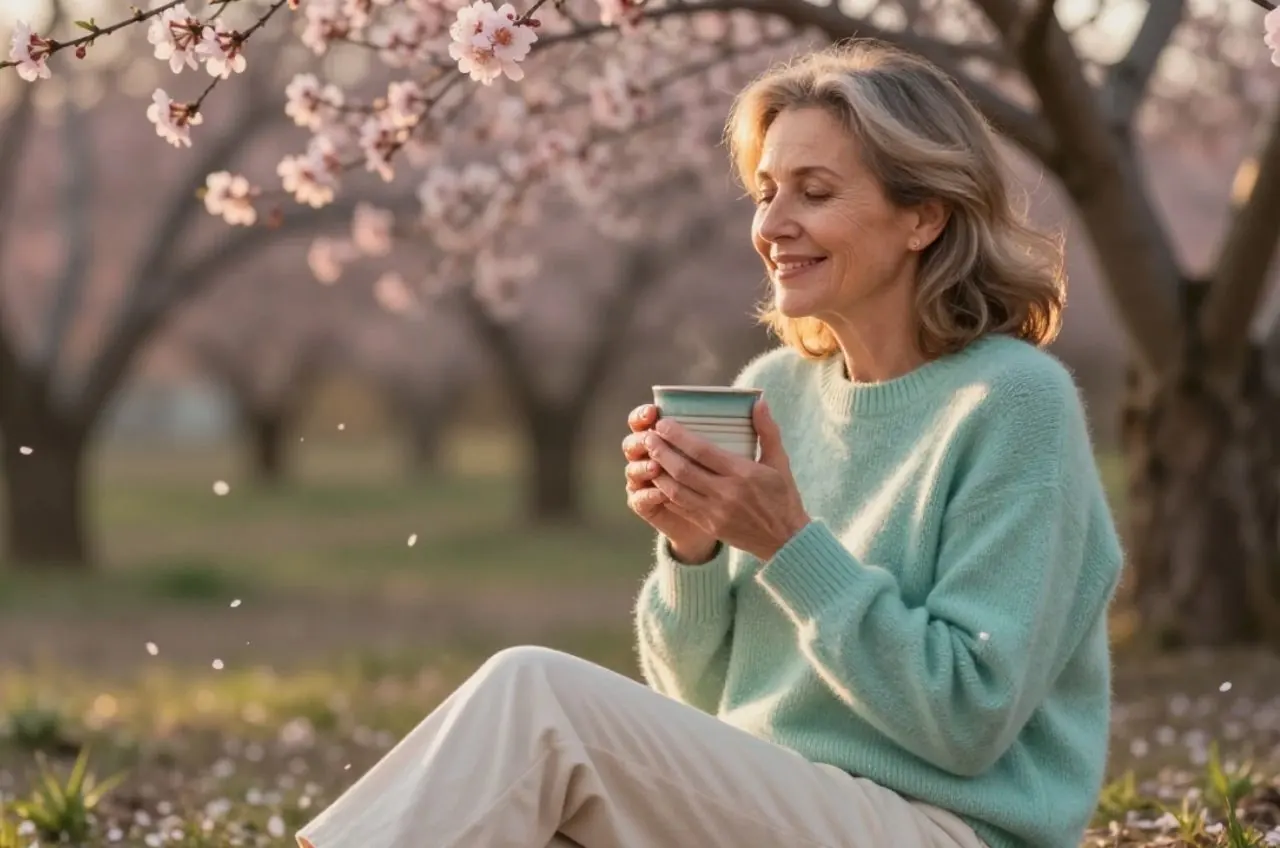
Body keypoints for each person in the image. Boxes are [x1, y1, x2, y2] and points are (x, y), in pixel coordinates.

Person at [295, 39, 1123, 848]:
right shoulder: (776, 389)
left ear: (923, 216)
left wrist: (788, 546)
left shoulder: (1012, 403)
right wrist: (690, 553)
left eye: (814, 192)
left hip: (940, 824)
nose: (773, 225)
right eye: (766, 192)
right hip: (775, 807)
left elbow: (967, 720)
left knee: (535, 695)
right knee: (510, 809)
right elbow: (696, 702)